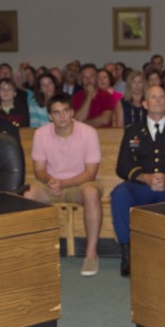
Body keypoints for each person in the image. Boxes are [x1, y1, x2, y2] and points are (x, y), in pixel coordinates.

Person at [111, 85, 165, 277]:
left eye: (161, 97)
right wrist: (144, 177)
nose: (157, 100)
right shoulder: (133, 131)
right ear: (144, 104)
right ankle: (128, 252)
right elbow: (122, 165)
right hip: (141, 186)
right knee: (119, 193)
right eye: (152, 97)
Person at [25, 93, 103, 277]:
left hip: (81, 183)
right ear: (50, 116)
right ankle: (34, 252)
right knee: (28, 194)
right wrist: (50, 180)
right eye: (57, 112)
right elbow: (39, 170)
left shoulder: (88, 133)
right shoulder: (41, 134)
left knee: (91, 193)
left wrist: (63, 183)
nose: (62, 116)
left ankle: (91, 254)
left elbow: (90, 173)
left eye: (65, 111)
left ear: (72, 112)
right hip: (51, 183)